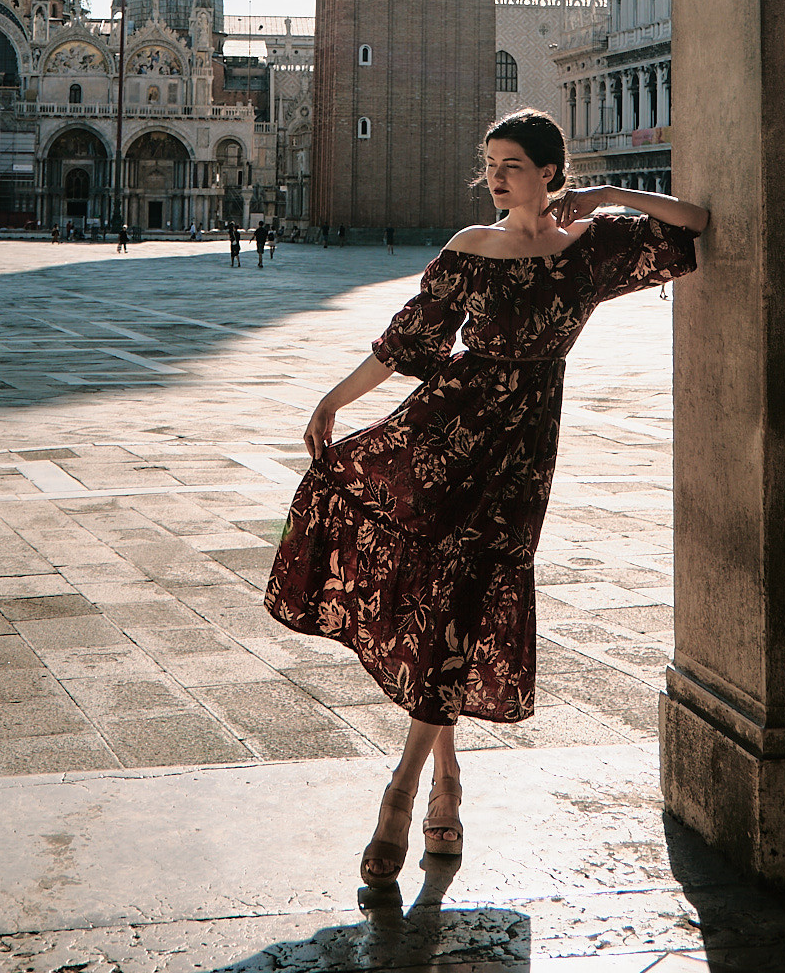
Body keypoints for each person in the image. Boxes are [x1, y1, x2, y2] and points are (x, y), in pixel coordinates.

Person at [264, 108, 708, 886]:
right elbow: (403, 346)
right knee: (447, 599)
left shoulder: (592, 248)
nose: (495, 177)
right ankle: (414, 791)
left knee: (466, 597)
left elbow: (693, 224)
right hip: (446, 435)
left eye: (511, 165)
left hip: (524, 452)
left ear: (548, 171)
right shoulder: (470, 248)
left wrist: (608, 193)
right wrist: (332, 401)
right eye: (490, 164)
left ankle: (437, 782)